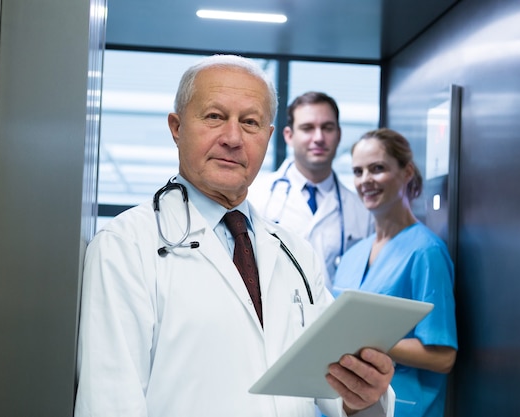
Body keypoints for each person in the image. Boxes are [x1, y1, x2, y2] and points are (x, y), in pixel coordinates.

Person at [73, 55, 395, 417]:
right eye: (214, 117)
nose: (232, 138)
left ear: (269, 137)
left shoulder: (294, 253)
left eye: (250, 122)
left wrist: (363, 396)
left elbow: (337, 391)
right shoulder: (126, 245)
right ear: (176, 127)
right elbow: (110, 401)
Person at [332, 128, 457, 417]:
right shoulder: (353, 255)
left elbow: (443, 356)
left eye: (377, 169)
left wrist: (361, 340)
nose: (366, 180)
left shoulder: (425, 252)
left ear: (406, 172)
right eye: (358, 171)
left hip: (403, 407)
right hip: (345, 406)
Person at [248, 91, 373, 287]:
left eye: (327, 128)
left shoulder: (362, 211)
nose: (319, 138)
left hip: (335, 316)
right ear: (289, 136)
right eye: (307, 128)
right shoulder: (256, 196)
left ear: (338, 135)